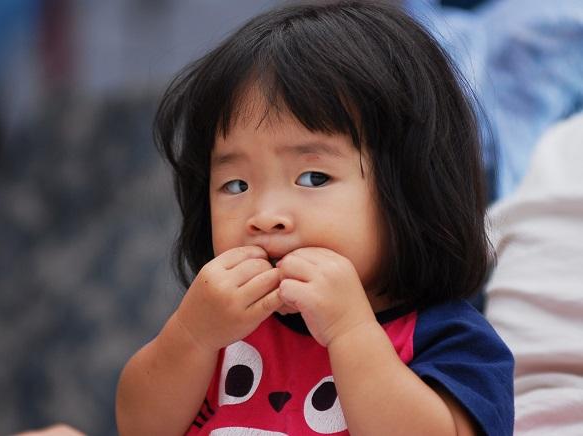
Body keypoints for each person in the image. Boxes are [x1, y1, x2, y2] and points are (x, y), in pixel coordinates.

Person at [116, 2, 514, 435]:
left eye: (313, 177)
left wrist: (350, 332)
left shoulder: (452, 341)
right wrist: (192, 335)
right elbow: (138, 427)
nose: (265, 217)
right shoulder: (221, 327)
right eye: (236, 185)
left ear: (414, 188)